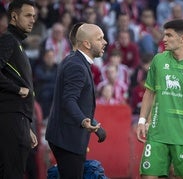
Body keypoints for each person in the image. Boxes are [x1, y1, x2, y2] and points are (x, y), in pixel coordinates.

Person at [136, 19, 183, 179]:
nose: (164, 39)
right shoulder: (158, 60)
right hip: (157, 134)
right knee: (147, 176)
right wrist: (142, 121)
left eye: (169, 35)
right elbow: (149, 92)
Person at [45, 23, 107, 179]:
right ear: (87, 43)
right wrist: (84, 122)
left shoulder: (75, 60)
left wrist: (93, 123)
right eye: (100, 39)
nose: (105, 42)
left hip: (67, 137)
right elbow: (69, 100)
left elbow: (76, 101)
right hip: (67, 139)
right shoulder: (76, 65)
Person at [0, 0, 38, 178]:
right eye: (28, 15)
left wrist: (27, 126)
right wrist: (17, 89)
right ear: (14, 16)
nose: (33, 20)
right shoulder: (8, 39)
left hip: (18, 119)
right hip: (11, 118)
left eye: (34, 16)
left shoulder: (17, 42)